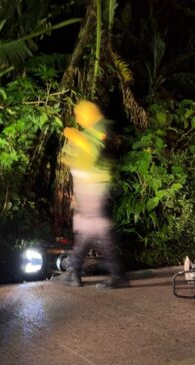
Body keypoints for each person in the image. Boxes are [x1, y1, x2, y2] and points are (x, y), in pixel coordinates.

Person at [58, 100, 128, 289]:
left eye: (79, 115)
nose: (78, 119)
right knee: (88, 230)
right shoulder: (88, 131)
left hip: (94, 188)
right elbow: (72, 158)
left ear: (89, 113)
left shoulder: (101, 128)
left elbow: (93, 153)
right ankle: (75, 272)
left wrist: (77, 138)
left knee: (98, 230)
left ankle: (115, 273)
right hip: (86, 189)